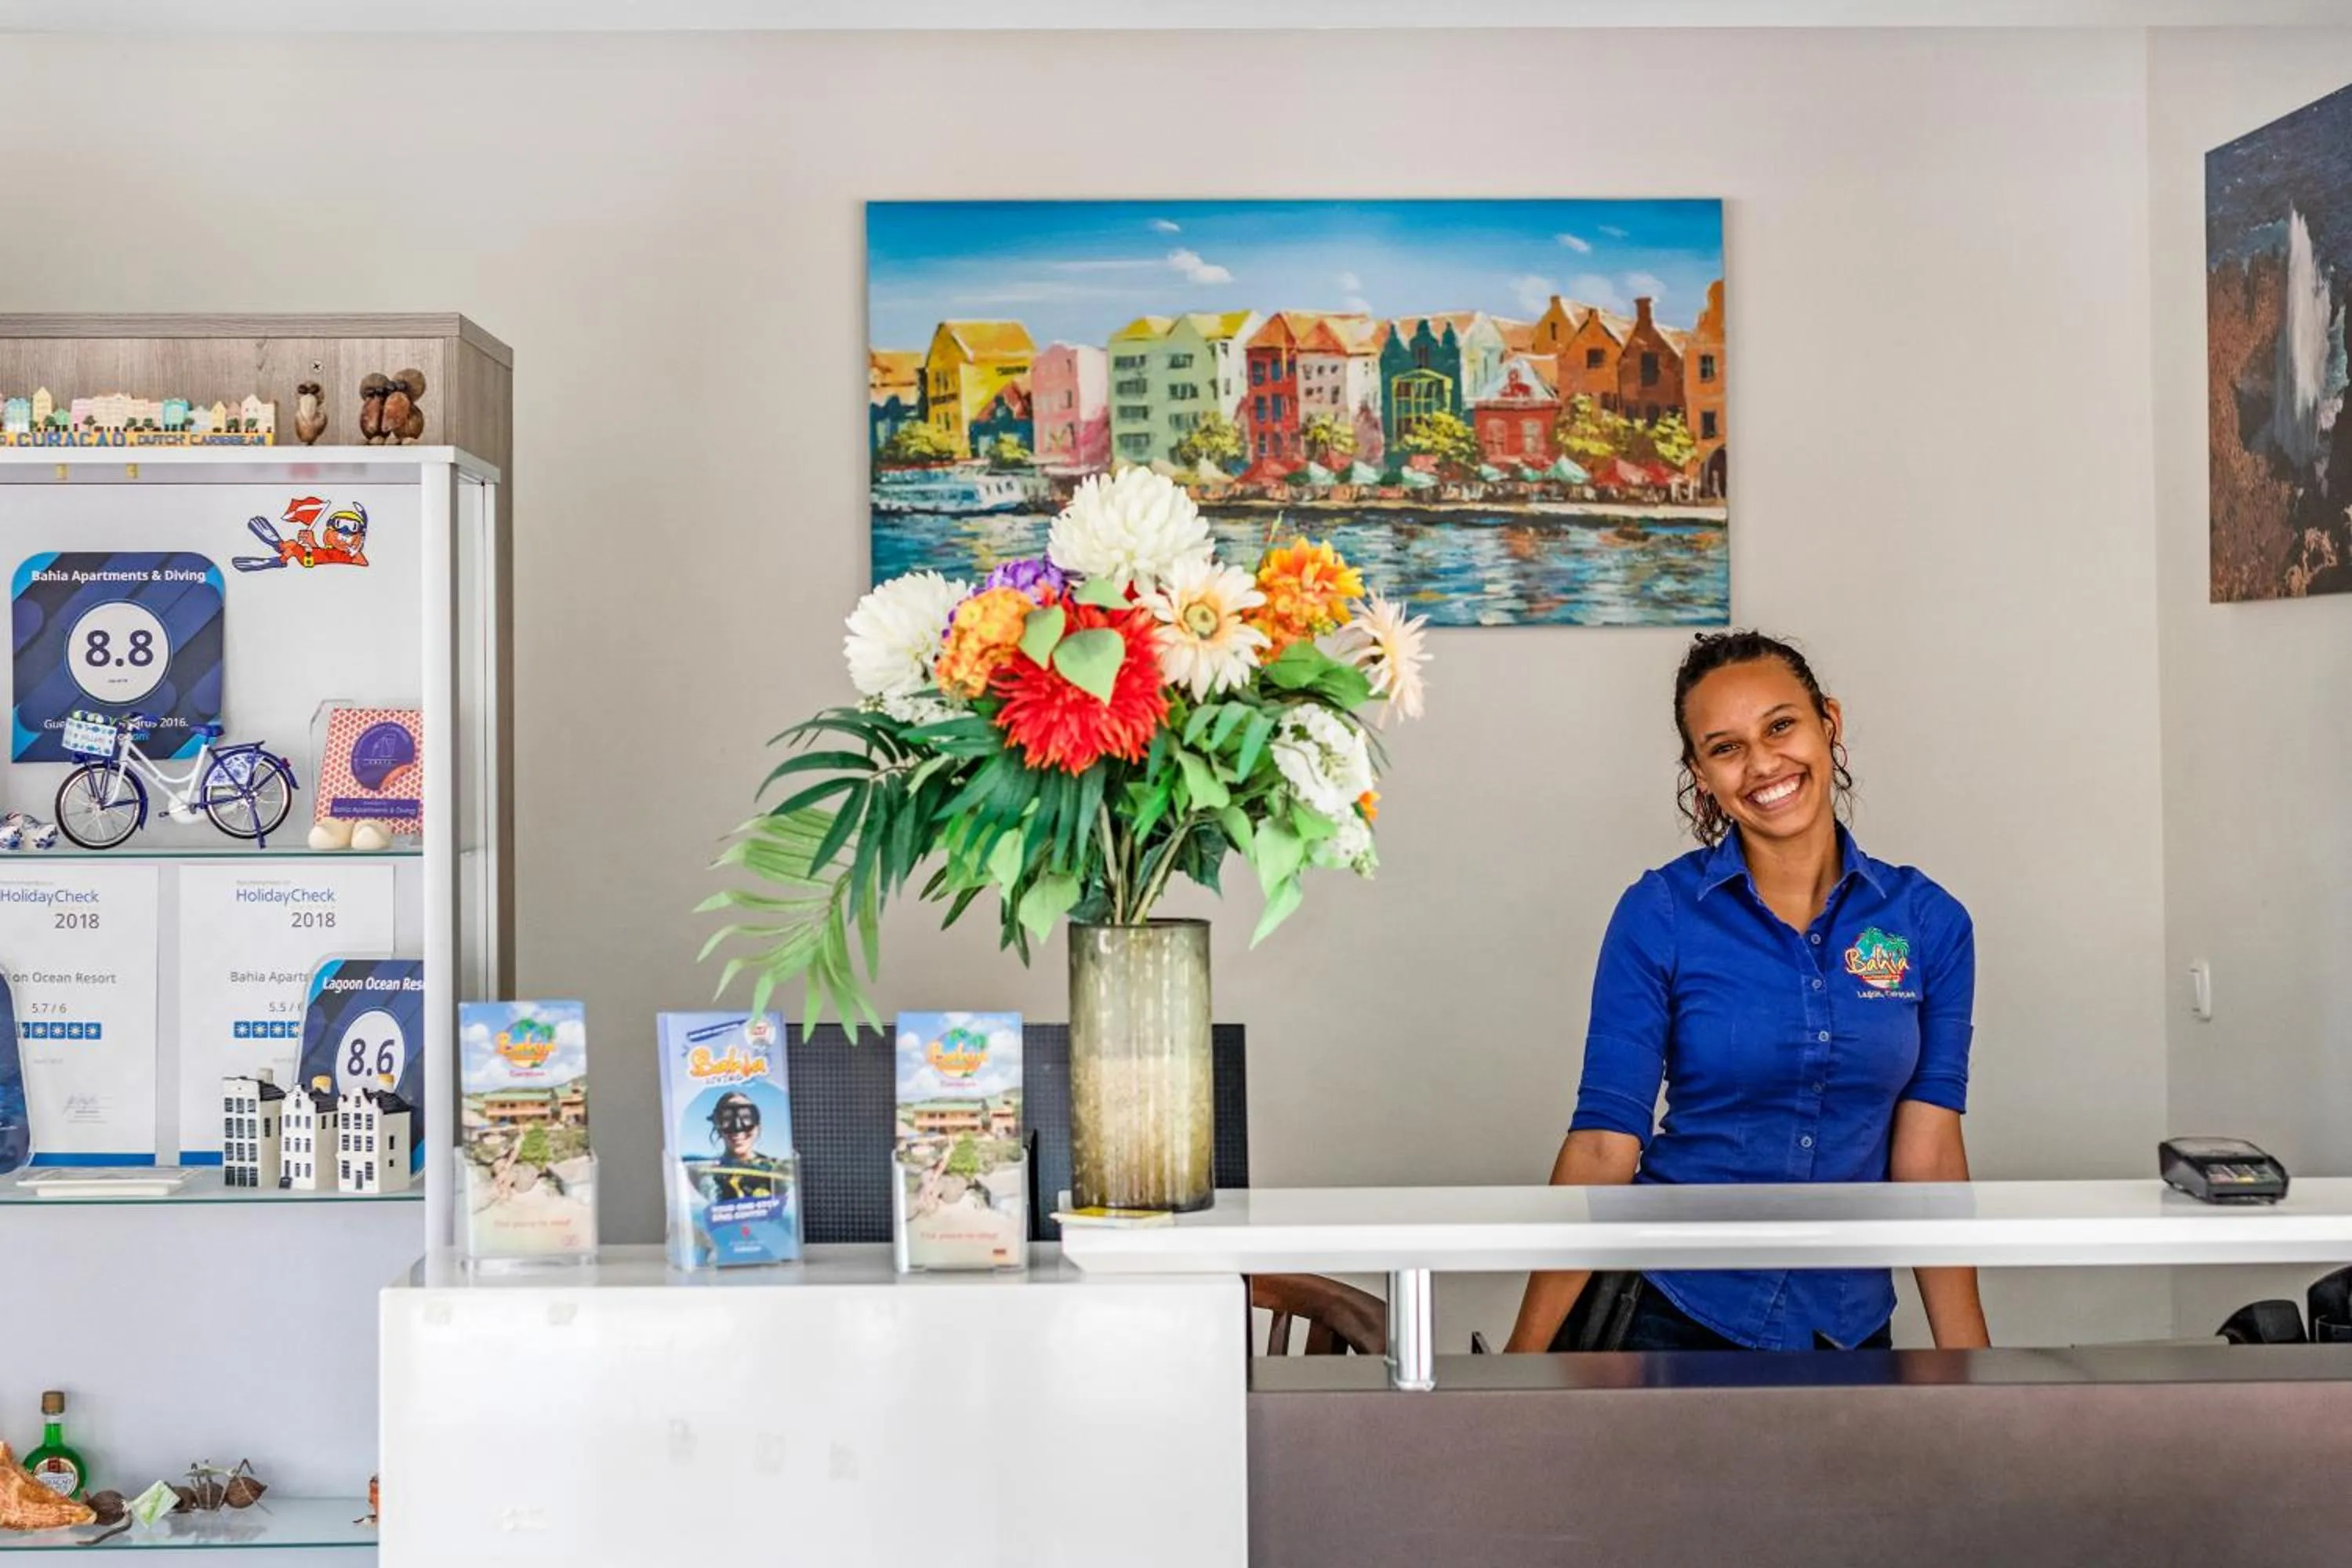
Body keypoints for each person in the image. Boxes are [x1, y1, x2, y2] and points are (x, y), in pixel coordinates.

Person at [1506, 631, 1991, 1353]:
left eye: (1781, 725)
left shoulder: (1929, 923)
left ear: (1829, 722)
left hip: (1848, 1329)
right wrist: (1523, 1363)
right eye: (1726, 747)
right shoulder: (1659, 913)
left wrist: (1973, 1370)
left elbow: (1928, 1154)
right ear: (1700, 773)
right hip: (1674, 1315)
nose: (1764, 763)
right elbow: (1605, 1144)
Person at [699, 1091, 789, 1201]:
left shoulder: (777, 1168)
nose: (737, 1128)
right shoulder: (708, 1173)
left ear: (758, 1126)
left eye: (746, 1117)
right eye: (727, 1119)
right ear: (718, 1127)